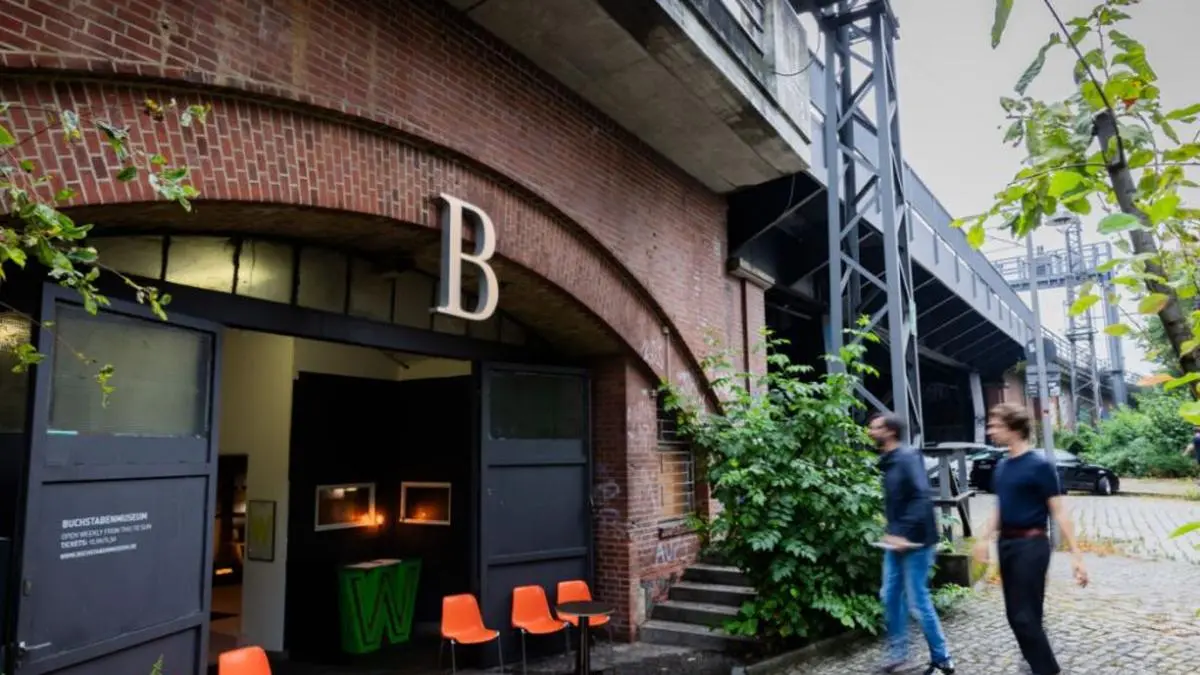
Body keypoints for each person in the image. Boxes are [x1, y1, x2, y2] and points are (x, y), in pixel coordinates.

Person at [972, 403, 1088, 675]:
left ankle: (1046, 670)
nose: (990, 431)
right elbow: (1000, 507)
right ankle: (1036, 666)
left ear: (1014, 428)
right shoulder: (1002, 467)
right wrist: (983, 539)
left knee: (1024, 617)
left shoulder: (1040, 466)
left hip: (1031, 545)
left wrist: (1076, 555)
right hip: (1007, 544)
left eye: (995, 425)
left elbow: (1059, 511)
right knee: (1018, 615)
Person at [867, 413, 955, 675]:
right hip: (896, 541)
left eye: (876, 428)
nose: (870, 432)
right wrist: (893, 532)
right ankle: (899, 656)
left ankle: (943, 659)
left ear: (890, 431)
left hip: (917, 541)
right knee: (889, 596)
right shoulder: (889, 460)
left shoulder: (907, 457)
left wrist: (902, 533)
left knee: (918, 601)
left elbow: (921, 496)